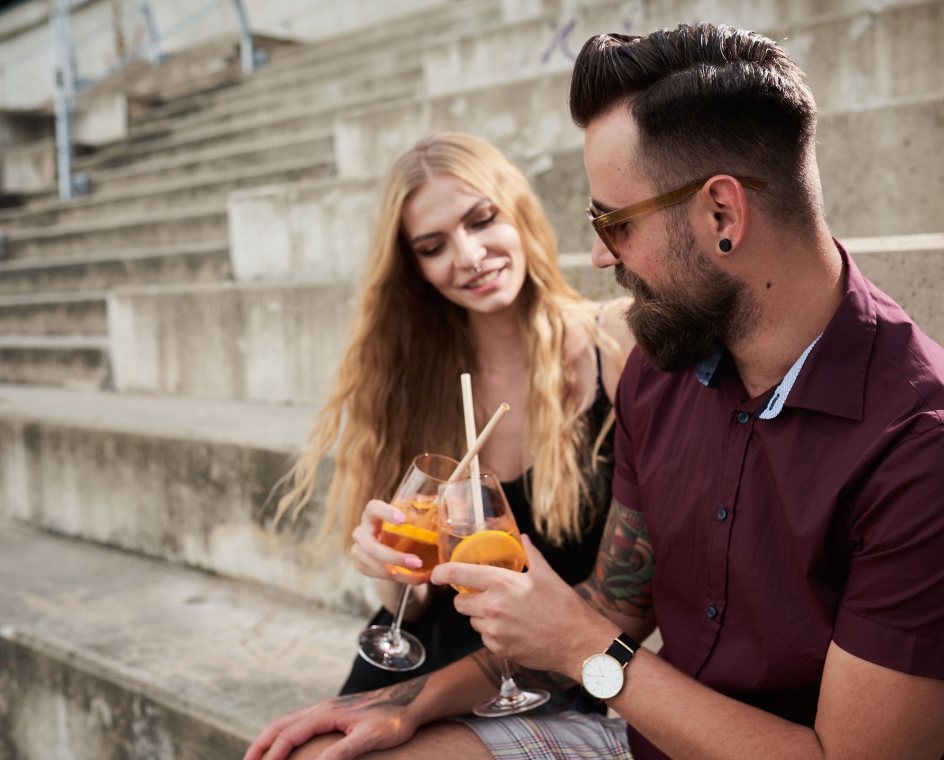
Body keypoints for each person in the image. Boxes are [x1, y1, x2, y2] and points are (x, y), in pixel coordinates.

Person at [246, 24, 944, 760]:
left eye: (613, 222)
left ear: (721, 215)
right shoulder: (660, 370)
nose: (597, 254)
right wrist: (408, 702)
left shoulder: (918, 450)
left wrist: (589, 649)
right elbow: (613, 603)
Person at [272, 131, 634, 698]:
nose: (468, 256)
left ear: (518, 211)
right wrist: (393, 573)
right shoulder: (411, 381)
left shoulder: (612, 341)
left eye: (482, 219)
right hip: (421, 659)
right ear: (413, 268)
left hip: (541, 674)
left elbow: (625, 598)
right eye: (433, 246)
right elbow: (412, 603)